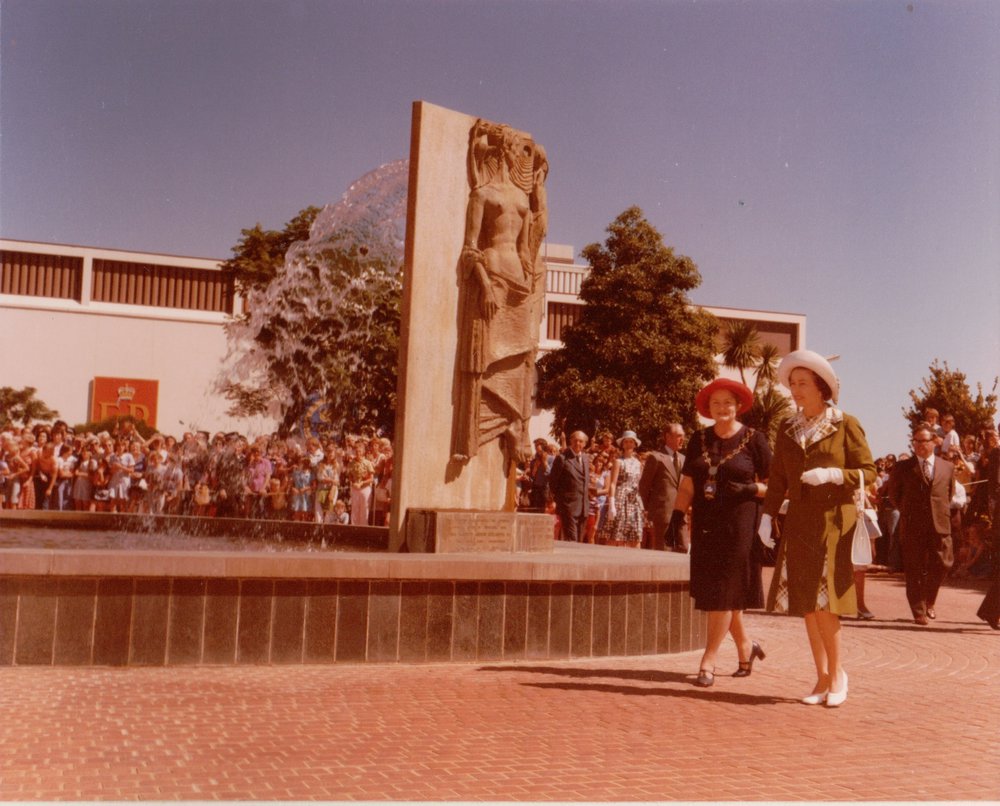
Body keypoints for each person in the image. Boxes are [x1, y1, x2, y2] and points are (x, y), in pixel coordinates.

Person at [759, 350, 876, 707]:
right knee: (807, 604)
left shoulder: (845, 423)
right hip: (800, 523)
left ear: (821, 387)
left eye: (803, 384)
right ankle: (822, 677)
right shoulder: (787, 426)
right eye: (792, 384)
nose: (796, 390)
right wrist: (767, 516)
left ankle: (839, 674)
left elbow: (869, 473)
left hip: (834, 522)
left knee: (827, 603)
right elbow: (778, 477)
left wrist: (834, 474)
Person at [669, 378, 771, 687]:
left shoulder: (755, 439)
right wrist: (676, 517)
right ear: (707, 409)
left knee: (724, 592)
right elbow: (688, 483)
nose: (722, 408)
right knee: (719, 591)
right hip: (706, 524)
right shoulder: (699, 439)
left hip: (740, 525)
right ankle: (746, 646)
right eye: (716, 403)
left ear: (738, 406)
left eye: (728, 402)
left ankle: (708, 660)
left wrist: (752, 488)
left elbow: (777, 487)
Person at [885, 422, 955, 625]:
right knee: (914, 568)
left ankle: (929, 601)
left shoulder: (947, 467)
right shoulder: (903, 467)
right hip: (913, 524)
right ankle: (918, 611)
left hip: (939, 523)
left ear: (934, 442)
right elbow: (894, 496)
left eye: (923, 441)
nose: (918, 445)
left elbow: (947, 494)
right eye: (914, 441)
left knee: (943, 563)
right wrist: (908, 512)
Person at [638, 424, 687, 552]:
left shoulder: (683, 459)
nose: (683, 440)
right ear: (668, 437)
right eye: (679, 436)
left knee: (683, 548)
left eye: (683, 436)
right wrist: (647, 511)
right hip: (662, 514)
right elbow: (644, 486)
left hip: (681, 513)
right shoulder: (656, 457)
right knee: (664, 551)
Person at [598, 431, 647, 548]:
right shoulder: (618, 462)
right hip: (620, 500)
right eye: (626, 442)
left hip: (633, 501)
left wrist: (642, 505)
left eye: (631, 442)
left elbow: (639, 484)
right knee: (615, 536)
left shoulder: (638, 464)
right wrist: (611, 504)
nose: (629, 444)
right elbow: (613, 483)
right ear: (623, 444)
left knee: (635, 536)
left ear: (635, 444)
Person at [547, 430, 591, 543]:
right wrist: (553, 500)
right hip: (568, 506)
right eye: (575, 440)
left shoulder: (586, 458)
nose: (578, 444)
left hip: (583, 507)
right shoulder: (562, 458)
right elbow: (553, 482)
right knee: (572, 539)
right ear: (570, 441)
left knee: (580, 541)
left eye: (581, 441)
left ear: (585, 443)